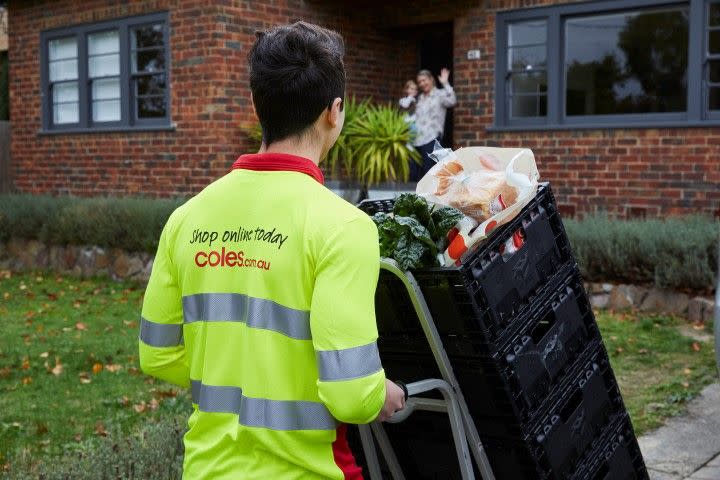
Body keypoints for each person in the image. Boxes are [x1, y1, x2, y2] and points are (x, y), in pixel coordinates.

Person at [138, 21, 406, 480]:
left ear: (256, 104)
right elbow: (352, 396)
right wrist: (385, 393)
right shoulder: (344, 227)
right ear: (334, 112)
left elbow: (157, 355)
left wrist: (240, 376)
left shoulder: (187, 217)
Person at [410, 68, 457, 181]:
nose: (422, 83)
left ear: (431, 80)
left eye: (424, 80)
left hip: (431, 139)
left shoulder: (440, 94)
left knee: (429, 174)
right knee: (414, 174)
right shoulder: (419, 98)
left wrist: (445, 84)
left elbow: (452, 101)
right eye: (419, 82)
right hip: (416, 140)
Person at [398, 79, 418, 144]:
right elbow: (405, 105)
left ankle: (411, 144)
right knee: (414, 130)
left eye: (415, 89)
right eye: (411, 89)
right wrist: (410, 97)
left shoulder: (415, 100)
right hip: (406, 122)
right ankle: (410, 145)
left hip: (413, 121)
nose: (414, 91)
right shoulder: (403, 100)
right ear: (406, 90)